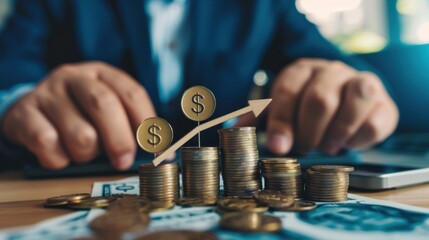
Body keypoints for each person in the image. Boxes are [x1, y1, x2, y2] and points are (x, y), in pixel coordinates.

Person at [0, 0, 398, 171]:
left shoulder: (261, 4)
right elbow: (9, 71)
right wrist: (17, 105)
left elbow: (337, 70)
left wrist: (362, 96)